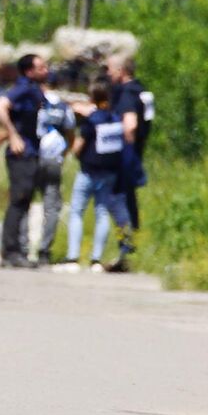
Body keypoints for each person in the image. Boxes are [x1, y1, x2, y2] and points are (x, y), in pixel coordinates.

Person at [0, 53, 49, 268]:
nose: (46, 70)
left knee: (24, 201)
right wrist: (13, 135)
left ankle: (16, 250)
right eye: (41, 67)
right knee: (18, 201)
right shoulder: (23, 88)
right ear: (29, 71)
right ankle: (10, 252)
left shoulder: (33, 89)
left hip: (31, 152)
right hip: (22, 154)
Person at [64, 81, 130, 270]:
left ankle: (73, 258)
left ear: (92, 98)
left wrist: (76, 154)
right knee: (102, 213)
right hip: (110, 173)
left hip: (89, 172)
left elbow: (78, 148)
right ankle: (96, 260)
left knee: (77, 212)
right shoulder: (116, 118)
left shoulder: (92, 120)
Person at [106, 54, 154, 271]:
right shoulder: (141, 91)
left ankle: (126, 247)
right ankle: (132, 246)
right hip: (137, 153)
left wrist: (123, 152)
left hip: (127, 157)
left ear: (120, 71)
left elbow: (130, 124)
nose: (107, 74)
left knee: (118, 202)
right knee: (130, 203)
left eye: (110, 70)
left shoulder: (126, 93)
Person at [31, 70, 76, 263]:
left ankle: (22, 247)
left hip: (32, 156)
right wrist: (64, 153)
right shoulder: (63, 106)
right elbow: (71, 133)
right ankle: (44, 251)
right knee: (51, 206)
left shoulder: (33, 101)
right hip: (54, 159)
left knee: (24, 201)